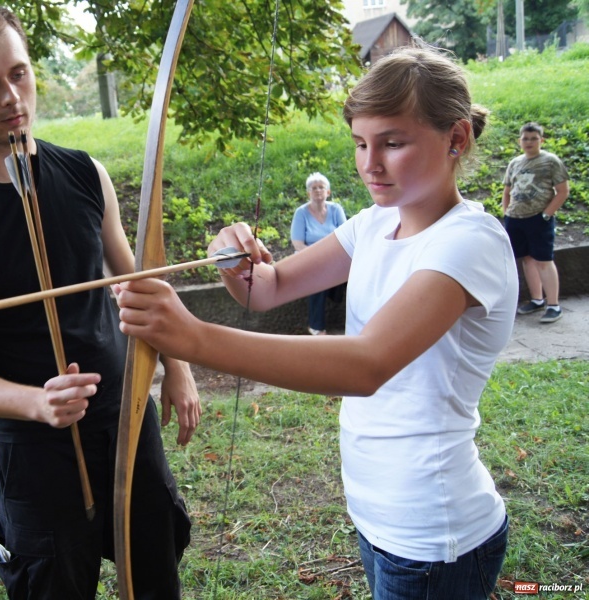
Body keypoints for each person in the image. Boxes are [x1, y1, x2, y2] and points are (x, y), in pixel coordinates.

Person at [115, 45, 516, 600]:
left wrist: (193, 337)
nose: (369, 163)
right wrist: (228, 255)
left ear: (456, 138)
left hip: (433, 533)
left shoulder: (471, 241)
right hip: (379, 517)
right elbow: (269, 287)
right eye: (359, 143)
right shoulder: (375, 224)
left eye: (393, 143)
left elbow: (367, 363)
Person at [0, 5, 199, 598]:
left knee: (154, 579)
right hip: (33, 449)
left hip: (126, 421)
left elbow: (139, 282)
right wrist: (37, 403)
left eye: (19, 73)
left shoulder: (86, 173)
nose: (11, 96)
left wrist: (179, 369)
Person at [502, 122, 570, 323]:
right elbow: (507, 191)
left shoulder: (550, 161)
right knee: (526, 259)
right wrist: (507, 214)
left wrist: (546, 214)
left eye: (533, 138)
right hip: (515, 219)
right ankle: (537, 299)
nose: (529, 142)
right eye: (525, 138)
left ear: (542, 140)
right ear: (519, 140)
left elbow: (563, 191)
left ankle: (554, 305)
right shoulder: (515, 163)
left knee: (543, 260)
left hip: (538, 218)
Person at [290, 172, 347, 335]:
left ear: (328, 192)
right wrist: (319, 258)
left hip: (335, 258)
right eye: (313, 188)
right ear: (308, 193)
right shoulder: (301, 213)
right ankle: (316, 327)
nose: (317, 190)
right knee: (318, 277)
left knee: (358, 274)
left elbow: (345, 236)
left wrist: (332, 258)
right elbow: (298, 244)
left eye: (321, 187)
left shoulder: (336, 209)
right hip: (309, 259)